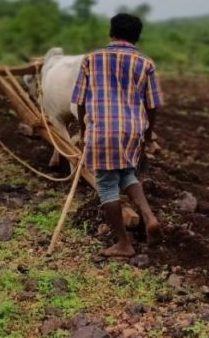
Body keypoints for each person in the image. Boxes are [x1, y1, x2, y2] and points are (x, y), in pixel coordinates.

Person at [71, 13, 163, 257]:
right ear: (137, 36)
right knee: (126, 172)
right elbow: (153, 105)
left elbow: (80, 101)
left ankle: (124, 244)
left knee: (106, 184)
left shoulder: (91, 59)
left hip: (102, 128)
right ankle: (149, 217)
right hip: (132, 129)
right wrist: (147, 134)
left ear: (111, 33)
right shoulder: (146, 63)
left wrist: (83, 131)